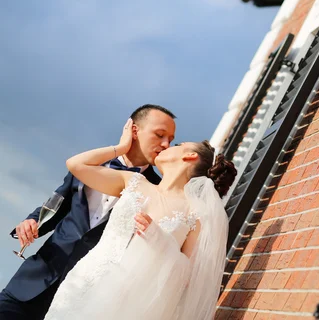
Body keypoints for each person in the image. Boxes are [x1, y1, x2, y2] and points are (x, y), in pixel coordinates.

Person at [44, 119, 236, 320]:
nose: (167, 146)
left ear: (190, 156)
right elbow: (76, 164)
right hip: (84, 282)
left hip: (131, 303)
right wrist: (120, 148)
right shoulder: (133, 181)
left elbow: (190, 277)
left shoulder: (195, 214)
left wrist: (160, 240)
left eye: (178, 145)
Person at [0, 104, 177, 320]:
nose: (166, 144)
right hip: (32, 282)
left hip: (82, 301)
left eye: (170, 139)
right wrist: (29, 222)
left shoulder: (157, 191)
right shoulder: (90, 165)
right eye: (160, 135)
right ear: (133, 130)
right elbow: (56, 205)